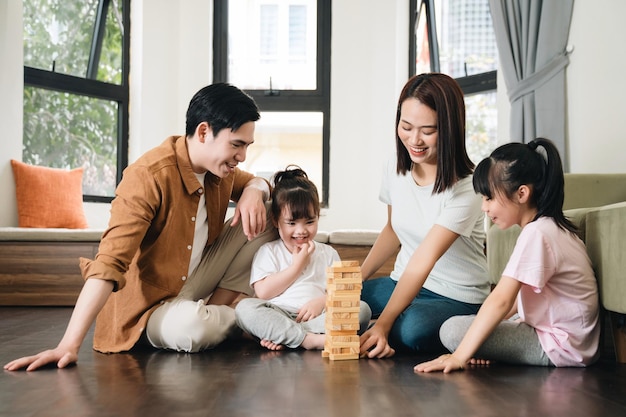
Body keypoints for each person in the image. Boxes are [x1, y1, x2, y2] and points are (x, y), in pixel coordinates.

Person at [4, 82, 279, 371]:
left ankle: (224, 312)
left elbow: (259, 183)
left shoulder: (220, 169)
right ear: (203, 132)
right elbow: (108, 264)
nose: (242, 156)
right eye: (236, 145)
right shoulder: (148, 177)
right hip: (150, 308)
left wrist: (255, 190)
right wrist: (67, 345)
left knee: (274, 211)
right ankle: (249, 318)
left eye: (247, 146)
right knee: (193, 329)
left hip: (196, 284)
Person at [415, 138, 600, 373]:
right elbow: (513, 303)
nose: (484, 207)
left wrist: (459, 356)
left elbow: (501, 300)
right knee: (480, 326)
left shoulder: (538, 234)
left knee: (451, 329)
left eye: (489, 197)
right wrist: (482, 341)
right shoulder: (552, 228)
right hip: (571, 342)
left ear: (522, 193)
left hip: (559, 347)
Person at [359, 73, 491, 358]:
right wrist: (354, 280)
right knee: (341, 303)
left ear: (450, 129)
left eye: (427, 131)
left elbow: (425, 258)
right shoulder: (395, 166)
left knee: (411, 331)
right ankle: (376, 325)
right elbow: (392, 230)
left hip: (455, 295)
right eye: (406, 127)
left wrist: (382, 324)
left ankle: (378, 328)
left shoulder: (469, 186)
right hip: (401, 282)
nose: (414, 140)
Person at [235, 165, 372, 351]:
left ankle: (286, 336)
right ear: (276, 221)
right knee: (244, 309)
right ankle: (309, 340)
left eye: (309, 222)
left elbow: (343, 292)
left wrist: (323, 301)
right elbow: (264, 293)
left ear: (317, 217)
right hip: (279, 313)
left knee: (362, 309)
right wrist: (296, 267)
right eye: (291, 223)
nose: (301, 231)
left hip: (318, 317)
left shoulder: (328, 253)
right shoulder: (268, 251)